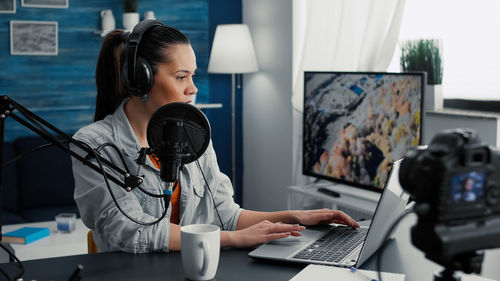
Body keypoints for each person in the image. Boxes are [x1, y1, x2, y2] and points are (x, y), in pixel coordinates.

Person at [71, 20, 358, 253]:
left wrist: (293, 216)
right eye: (181, 77)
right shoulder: (95, 145)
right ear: (141, 78)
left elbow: (227, 215)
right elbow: (130, 231)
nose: (192, 89)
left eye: (193, 77)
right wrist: (232, 239)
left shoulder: (193, 130)